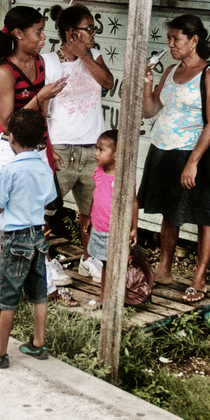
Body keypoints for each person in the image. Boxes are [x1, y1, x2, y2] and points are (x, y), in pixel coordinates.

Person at [0, 5, 72, 324]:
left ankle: (45, 284)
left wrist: (48, 149)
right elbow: (9, 124)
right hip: (9, 152)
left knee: (35, 220)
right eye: (37, 32)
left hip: (34, 151)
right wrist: (40, 97)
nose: (42, 38)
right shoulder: (4, 72)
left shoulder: (38, 64)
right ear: (19, 34)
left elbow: (41, 118)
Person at [139, 14, 210, 303]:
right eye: (169, 39)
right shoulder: (171, 71)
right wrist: (147, 84)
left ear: (194, 40)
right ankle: (165, 270)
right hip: (163, 149)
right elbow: (150, 110)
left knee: (203, 215)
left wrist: (193, 162)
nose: (171, 44)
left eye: (177, 39)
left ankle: (199, 278)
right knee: (168, 211)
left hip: (191, 152)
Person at [0, 109, 58, 369]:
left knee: (7, 296)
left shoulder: (9, 170)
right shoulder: (44, 167)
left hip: (16, 239)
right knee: (39, 293)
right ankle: (38, 343)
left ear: (11, 139)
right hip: (38, 236)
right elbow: (49, 199)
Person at [42, 3, 113, 284]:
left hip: (93, 146)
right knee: (47, 208)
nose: (94, 32)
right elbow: (43, 109)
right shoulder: (49, 62)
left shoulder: (95, 55)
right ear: (71, 33)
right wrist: (46, 148)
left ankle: (88, 258)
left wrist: (85, 56)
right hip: (61, 148)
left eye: (93, 28)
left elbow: (107, 82)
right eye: (89, 28)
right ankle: (46, 261)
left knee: (91, 209)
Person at [86, 130, 138, 310]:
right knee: (105, 265)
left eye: (101, 150)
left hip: (117, 229)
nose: (96, 153)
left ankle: (121, 297)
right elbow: (96, 194)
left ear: (116, 155)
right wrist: (89, 218)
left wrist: (134, 228)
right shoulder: (99, 171)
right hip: (99, 227)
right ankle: (103, 296)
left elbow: (133, 201)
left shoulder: (124, 176)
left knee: (119, 264)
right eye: (96, 149)